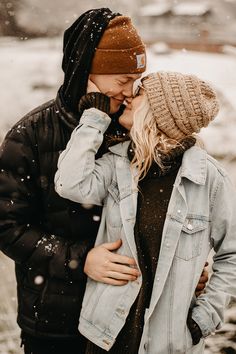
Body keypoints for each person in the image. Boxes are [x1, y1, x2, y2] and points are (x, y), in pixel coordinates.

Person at [0, 7, 207, 354]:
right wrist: (80, 261)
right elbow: (7, 225)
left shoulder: (135, 131)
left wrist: (188, 262)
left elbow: (170, 209)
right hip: (56, 322)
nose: (130, 92)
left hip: (131, 322)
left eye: (136, 80)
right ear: (85, 72)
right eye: (122, 80)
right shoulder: (30, 135)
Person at [55, 71, 236, 354]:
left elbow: (232, 254)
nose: (128, 96)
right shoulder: (118, 163)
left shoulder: (210, 180)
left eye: (139, 93)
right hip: (107, 334)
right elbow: (70, 183)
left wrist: (206, 315)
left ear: (159, 113)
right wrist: (94, 118)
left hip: (171, 340)